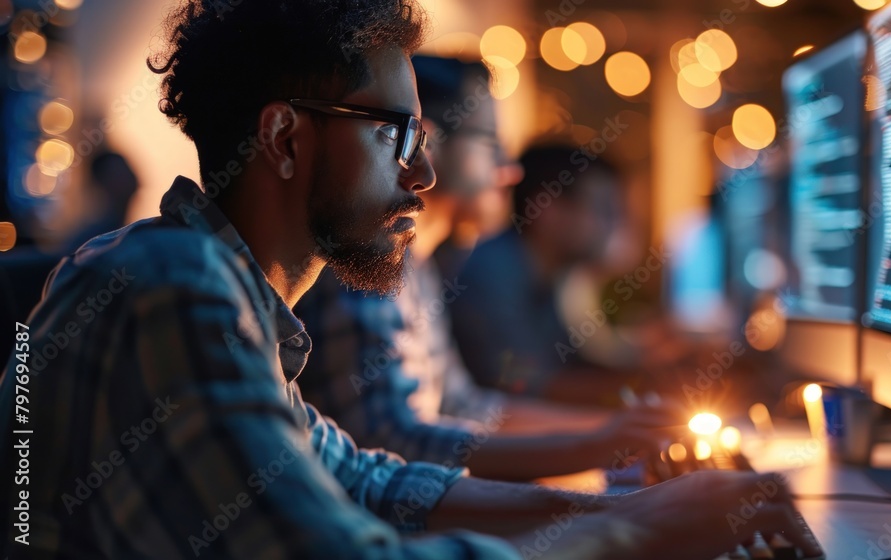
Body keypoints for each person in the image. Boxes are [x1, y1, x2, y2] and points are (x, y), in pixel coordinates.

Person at [0, 2, 822, 558]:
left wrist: (616, 509)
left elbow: (372, 480)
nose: (425, 173)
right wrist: (632, 534)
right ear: (283, 140)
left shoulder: (217, 290)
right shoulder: (168, 290)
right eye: (399, 136)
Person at [294, 56, 672, 481]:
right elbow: (391, 439)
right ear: (426, 142)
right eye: (492, 144)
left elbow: (466, 406)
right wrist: (595, 449)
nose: (511, 172)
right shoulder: (367, 264)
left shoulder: (418, 264)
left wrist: (613, 434)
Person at [451, 145, 657, 405]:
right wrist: (644, 385)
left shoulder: (558, 276)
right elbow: (523, 385)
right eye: (604, 210)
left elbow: (575, 364)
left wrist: (654, 367)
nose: (616, 225)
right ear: (548, 211)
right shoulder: (491, 273)